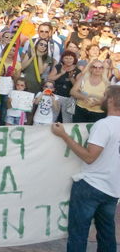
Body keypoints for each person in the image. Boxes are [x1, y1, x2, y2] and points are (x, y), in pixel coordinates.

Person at [51, 85, 120, 252]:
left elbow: (89, 157)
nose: (101, 99)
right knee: (107, 234)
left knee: (78, 234)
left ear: (110, 100)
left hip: (91, 185)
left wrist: (64, 136)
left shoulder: (104, 125)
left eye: (104, 95)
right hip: (112, 189)